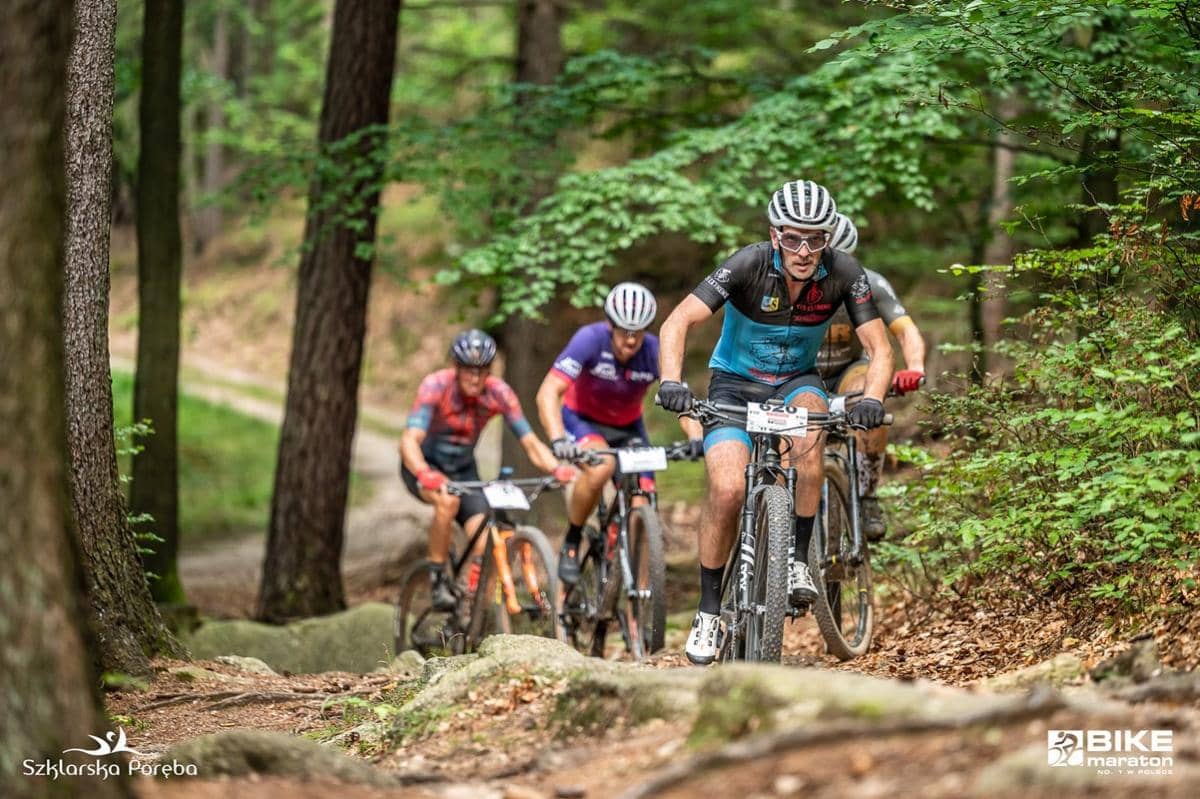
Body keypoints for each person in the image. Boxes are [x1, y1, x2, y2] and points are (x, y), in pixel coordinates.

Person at [656, 180, 894, 665]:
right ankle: (707, 610)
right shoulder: (747, 264)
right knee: (726, 490)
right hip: (735, 384)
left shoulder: (844, 271)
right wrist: (671, 381)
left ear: (828, 239)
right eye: (791, 238)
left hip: (796, 382)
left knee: (811, 440)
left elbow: (881, 348)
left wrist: (871, 396)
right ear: (773, 234)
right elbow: (676, 321)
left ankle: (796, 561)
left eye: (815, 239)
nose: (804, 251)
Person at [535, 282, 704, 584]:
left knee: (643, 501)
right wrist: (558, 438)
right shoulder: (589, 340)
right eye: (624, 330)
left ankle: (640, 598)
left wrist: (695, 437)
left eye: (638, 332)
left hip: (628, 428)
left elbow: (682, 401)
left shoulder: (653, 350)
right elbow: (549, 391)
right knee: (602, 468)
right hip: (582, 420)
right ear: (610, 325)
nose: (631, 339)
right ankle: (572, 540)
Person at [400, 329, 574, 611]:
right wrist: (423, 472)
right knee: (447, 501)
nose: (475, 378)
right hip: (424, 465)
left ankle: (474, 610)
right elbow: (409, 439)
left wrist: (557, 468)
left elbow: (530, 442)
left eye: (482, 370)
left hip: (464, 471)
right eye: (468, 370)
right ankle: (437, 579)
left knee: (485, 543)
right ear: (455, 368)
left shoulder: (498, 393)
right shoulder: (436, 386)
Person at [818, 213, 927, 540]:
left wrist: (916, 366)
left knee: (872, 394)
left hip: (849, 369)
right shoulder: (790, 282)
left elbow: (906, 331)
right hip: (800, 373)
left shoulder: (869, 284)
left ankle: (866, 495)